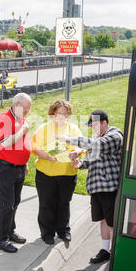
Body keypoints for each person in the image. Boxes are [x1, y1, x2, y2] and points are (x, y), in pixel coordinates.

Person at [58, 110, 123, 264]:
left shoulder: (114, 136)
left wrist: (71, 140)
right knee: (103, 221)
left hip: (109, 187)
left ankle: (117, 253)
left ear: (104, 123)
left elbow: (99, 145)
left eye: (94, 125)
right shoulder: (97, 137)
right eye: (91, 126)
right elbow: (90, 159)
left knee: (112, 222)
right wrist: (79, 163)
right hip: (97, 187)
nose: (92, 128)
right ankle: (105, 250)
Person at [32, 100, 83, 245]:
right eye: (59, 112)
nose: (62, 116)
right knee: (46, 203)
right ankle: (47, 232)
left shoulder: (73, 129)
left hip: (67, 173)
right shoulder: (43, 129)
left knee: (64, 203)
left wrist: (77, 153)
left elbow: (81, 146)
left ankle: (63, 230)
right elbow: (35, 148)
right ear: (53, 113)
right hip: (46, 173)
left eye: (65, 113)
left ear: (68, 115)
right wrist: (46, 155)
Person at [0, 93, 32, 253]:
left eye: (29, 107)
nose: (28, 110)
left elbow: (23, 143)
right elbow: (3, 143)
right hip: (7, 167)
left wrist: (25, 162)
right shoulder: (4, 119)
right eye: (26, 107)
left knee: (15, 202)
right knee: (7, 205)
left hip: (20, 167)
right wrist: (22, 130)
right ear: (16, 104)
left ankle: (10, 230)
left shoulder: (21, 118)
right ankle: (1, 239)